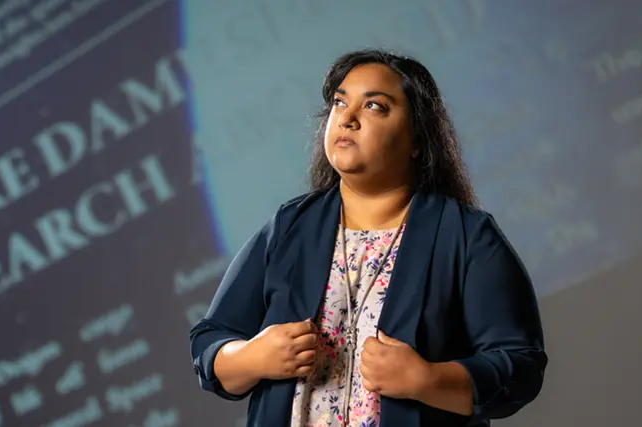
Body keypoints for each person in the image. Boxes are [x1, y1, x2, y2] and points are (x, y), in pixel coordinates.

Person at [189, 49, 547, 427]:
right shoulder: (289, 227)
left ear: (418, 141)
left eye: (375, 106)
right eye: (340, 102)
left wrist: (428, 381)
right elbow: (209, 339)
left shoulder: (467, 235)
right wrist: (249, 358)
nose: (347, 118)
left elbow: (520, 365)